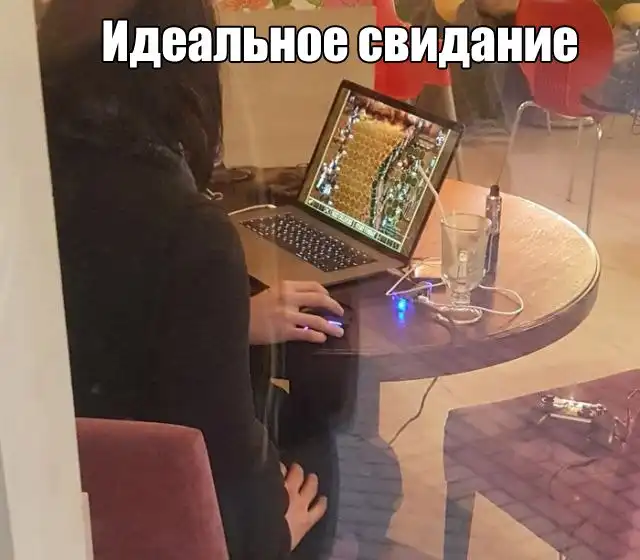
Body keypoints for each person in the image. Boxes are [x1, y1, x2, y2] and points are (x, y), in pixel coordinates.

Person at [37, 0, 344, 557]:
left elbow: (88, 314)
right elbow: (223, 464)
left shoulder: (32, 166)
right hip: (141, 503)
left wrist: (226, 319)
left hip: (54, 463)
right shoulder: (186, 230)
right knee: (309, 439)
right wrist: (272, 534)